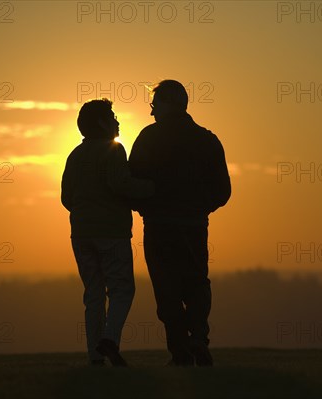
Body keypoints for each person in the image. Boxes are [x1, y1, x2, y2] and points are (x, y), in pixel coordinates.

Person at [128, 80, 231, 366]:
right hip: (194, 227)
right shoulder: (207, 140)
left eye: (154, 105)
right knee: (197, 283)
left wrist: (144, 207)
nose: (151, 113)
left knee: (166, 288)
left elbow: (131, 182)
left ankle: (180, 350)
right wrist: (199, 209)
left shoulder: (149, 138)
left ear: (167, 104)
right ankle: (198, 337)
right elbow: (223, 191)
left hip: (159, 227)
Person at [61, 98, 154, 367]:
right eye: (112, 116)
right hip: (111, 232)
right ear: (102, 122)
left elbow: (66, 197)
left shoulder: (74, 156)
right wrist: (151, 189)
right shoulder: (113, 150)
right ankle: (110, 340)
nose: (117, 121)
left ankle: (94, 355)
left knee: (93, 294)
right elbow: (120, 183)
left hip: (80, 233)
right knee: (122, 289)